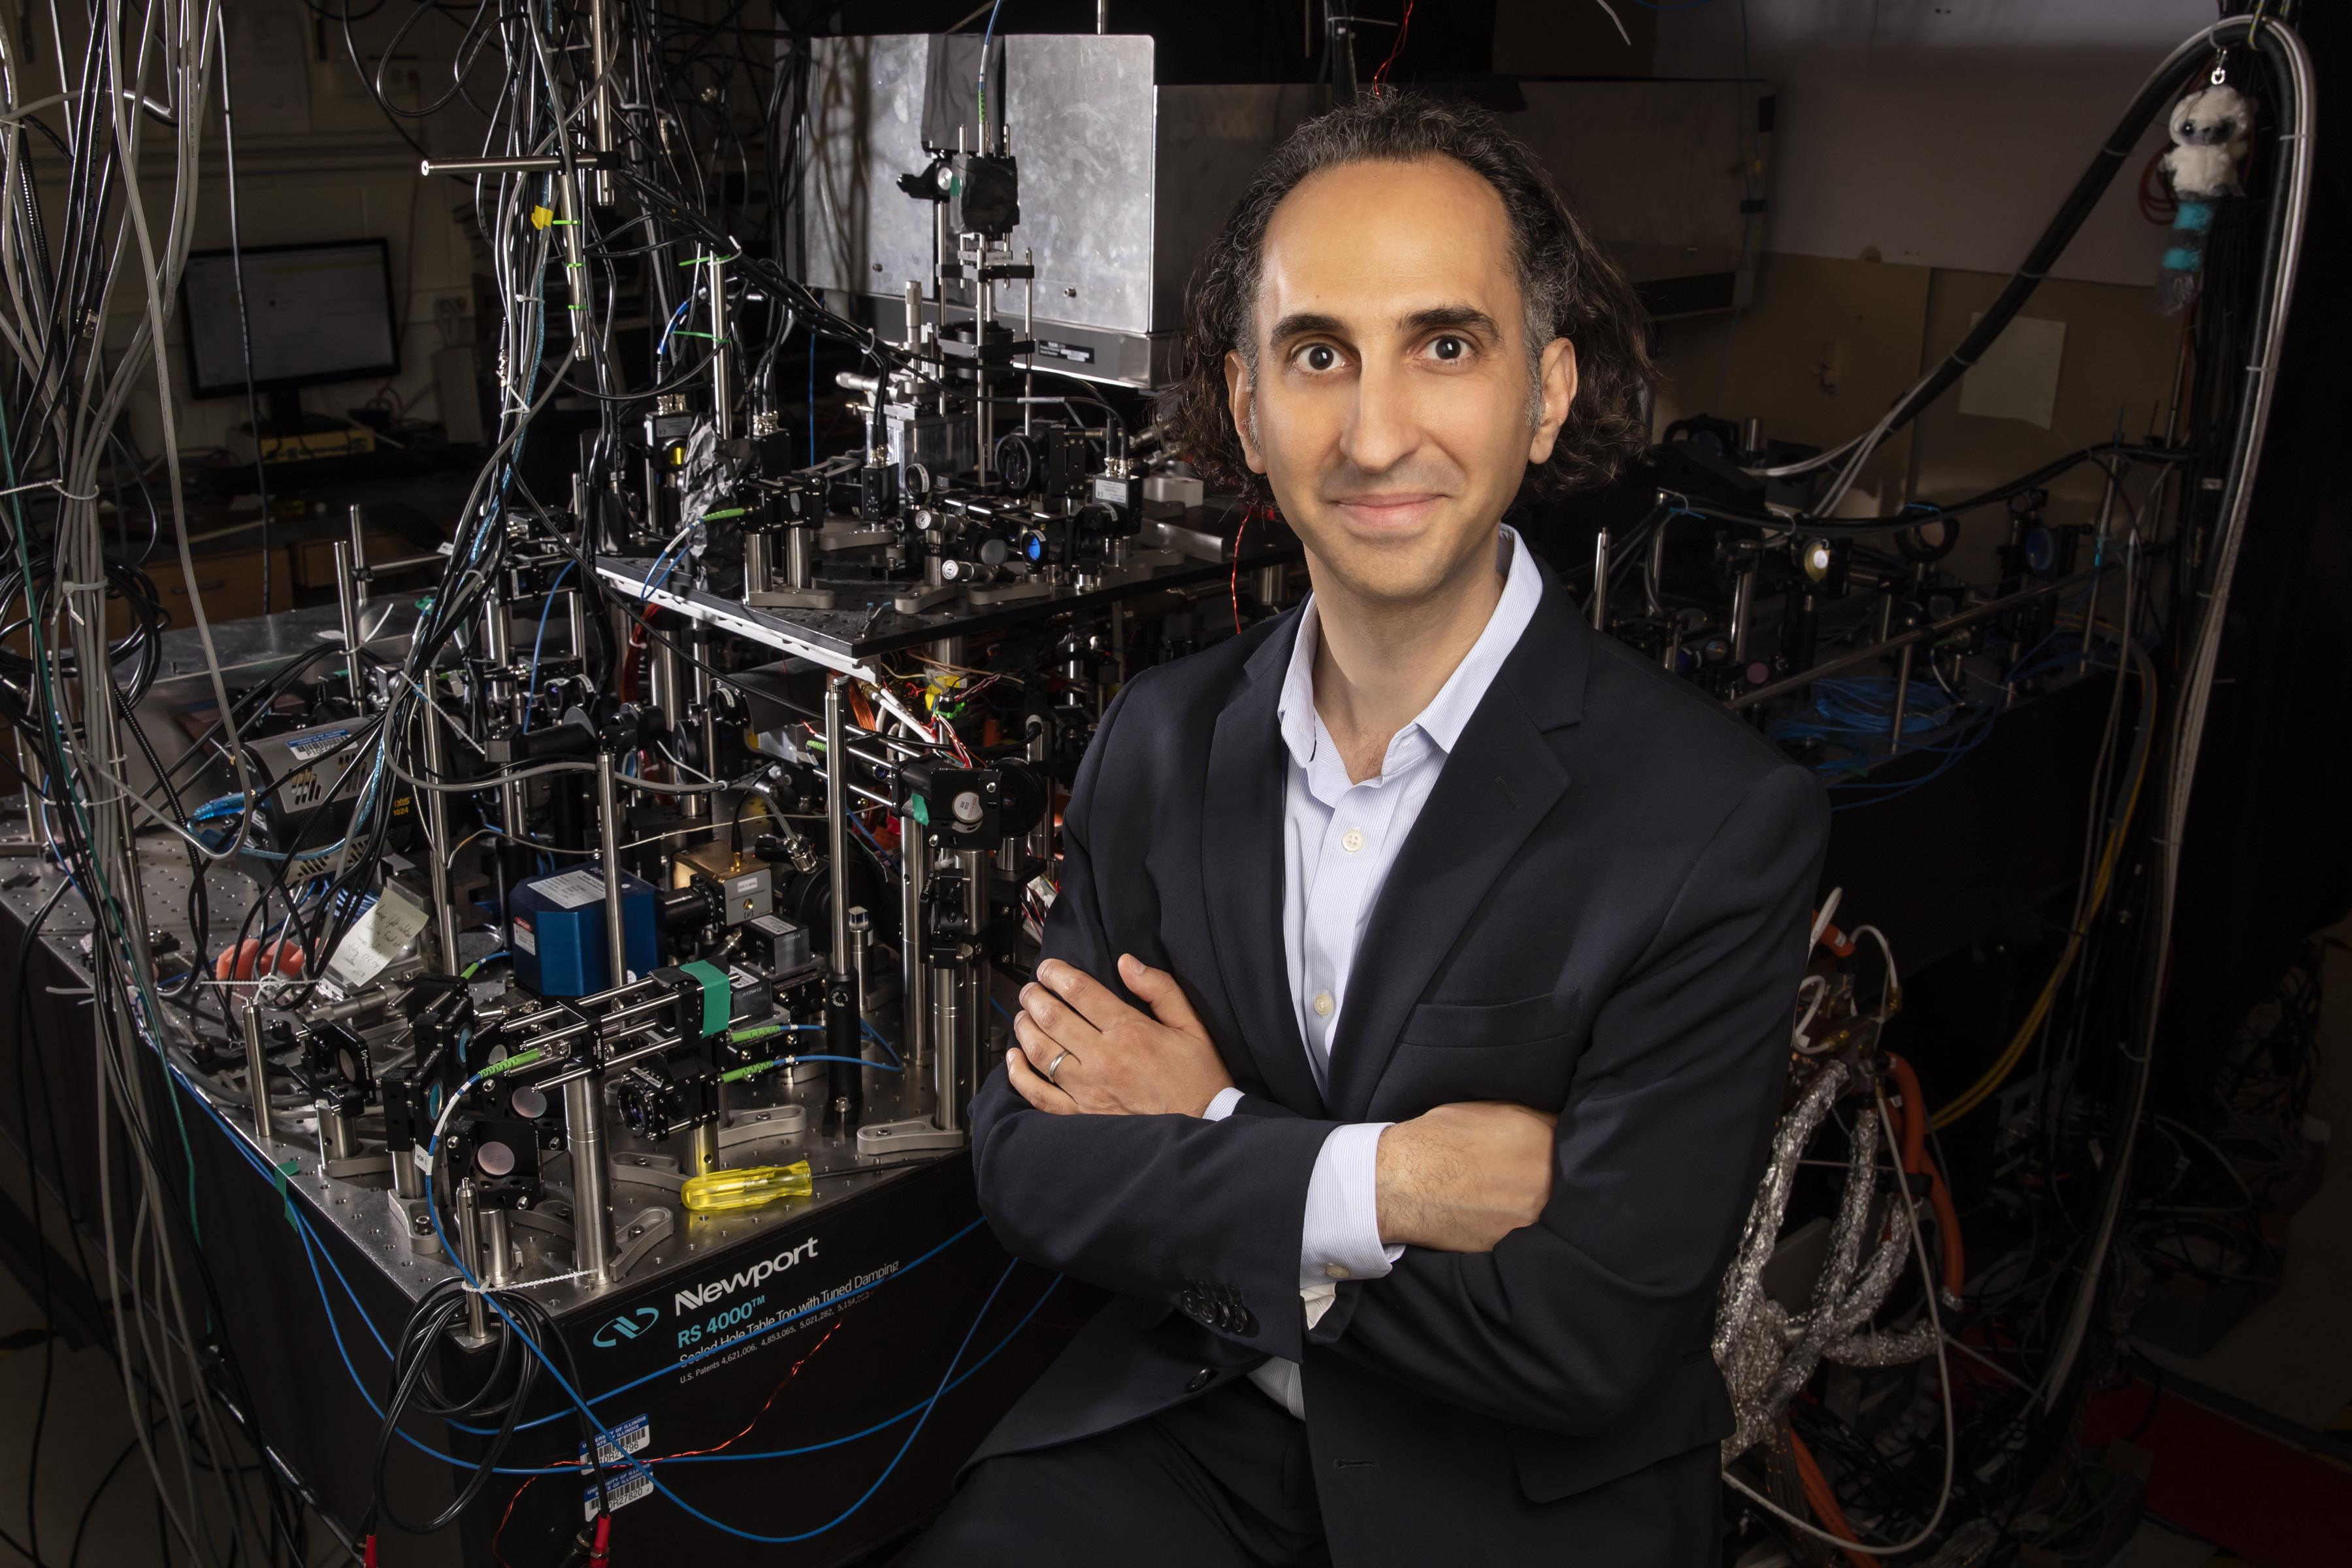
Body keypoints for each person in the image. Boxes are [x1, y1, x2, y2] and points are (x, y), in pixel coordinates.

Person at [911, 95, 1829, 1567]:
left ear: (1545, 393)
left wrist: (1210, 1134)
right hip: (1191, 1441)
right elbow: (1030, 1163)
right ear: (1249, 405)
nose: (1377, 430)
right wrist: (1382, 1183)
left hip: (1513, 1506)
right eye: (1318, 353)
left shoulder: (1716, 822)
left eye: (1445, 345)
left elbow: (1582, 1332)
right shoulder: (1164, 738)